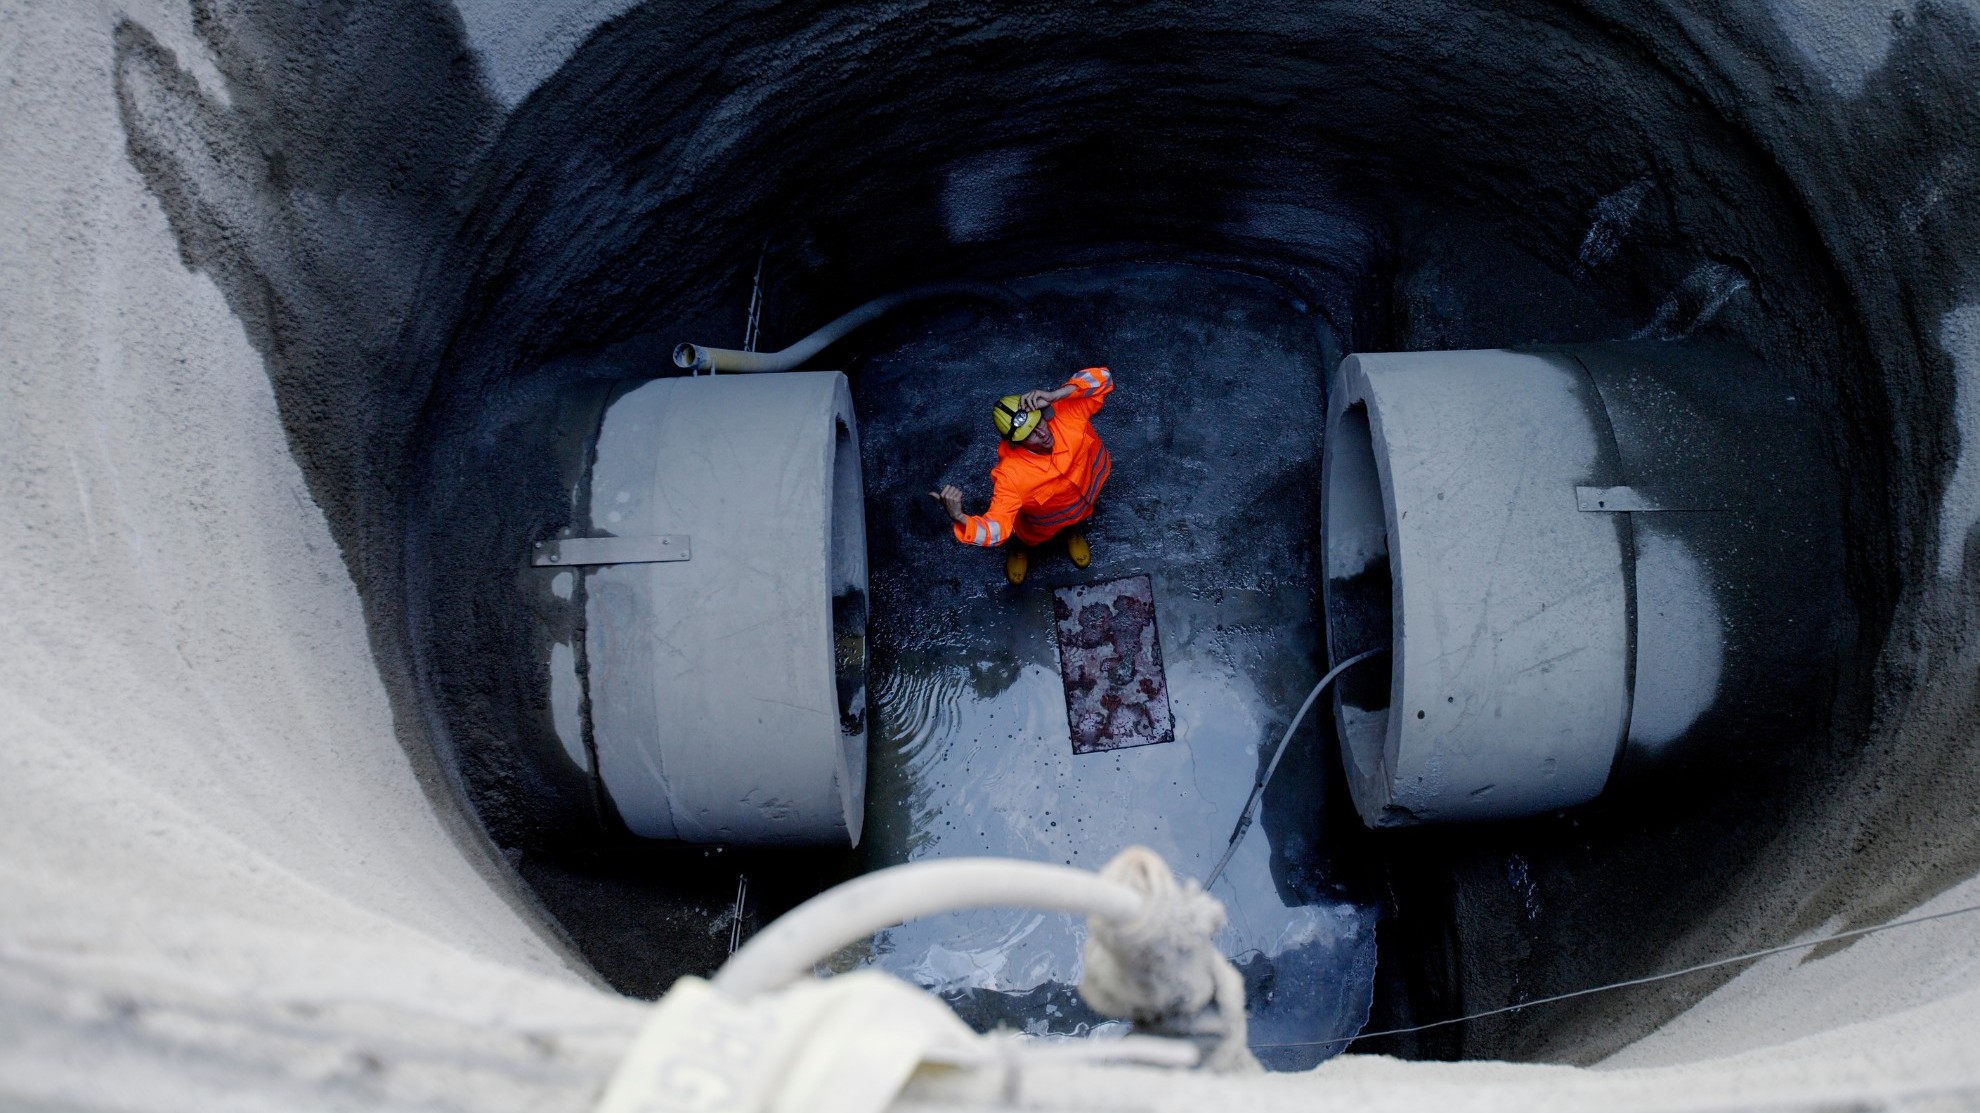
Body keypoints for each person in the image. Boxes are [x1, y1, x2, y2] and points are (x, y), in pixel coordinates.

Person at [930, 366, 1114, 584]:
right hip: (1040, 527)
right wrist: (961, 518)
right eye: (1030, 434)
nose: (1042, 434)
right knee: (1024, 538)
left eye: (1038, 422)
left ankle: (1072, 533)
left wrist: (1058, 393)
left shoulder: (1067, 412)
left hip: (1086, 498)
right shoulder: (1010, 477)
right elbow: (997, 528)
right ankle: (1020, 549)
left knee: (1076, 520)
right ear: (1015, 443)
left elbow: (1104, 378)